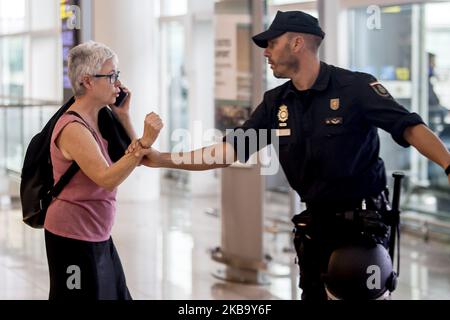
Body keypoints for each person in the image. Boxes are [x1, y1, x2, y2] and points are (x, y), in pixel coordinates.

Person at [129, 11, 450, 300]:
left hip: (361, 226)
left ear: (297, 43)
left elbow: (409, 127)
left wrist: (448, 164)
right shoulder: (276, 102)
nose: (266, 53)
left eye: (272, 43)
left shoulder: (355, 88)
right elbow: (228, 151)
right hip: (315, 223)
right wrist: (162, 159)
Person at [44, 41, 162, 300]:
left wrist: (124, 116)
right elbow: (107, 178)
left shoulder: (101, 118)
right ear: (87, 81)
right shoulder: (72, 127)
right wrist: (144, 140)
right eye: (112, 76)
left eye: (117, 75)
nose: (118, 84)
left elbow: (139, 157)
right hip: (71, 237)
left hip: (98, 234)